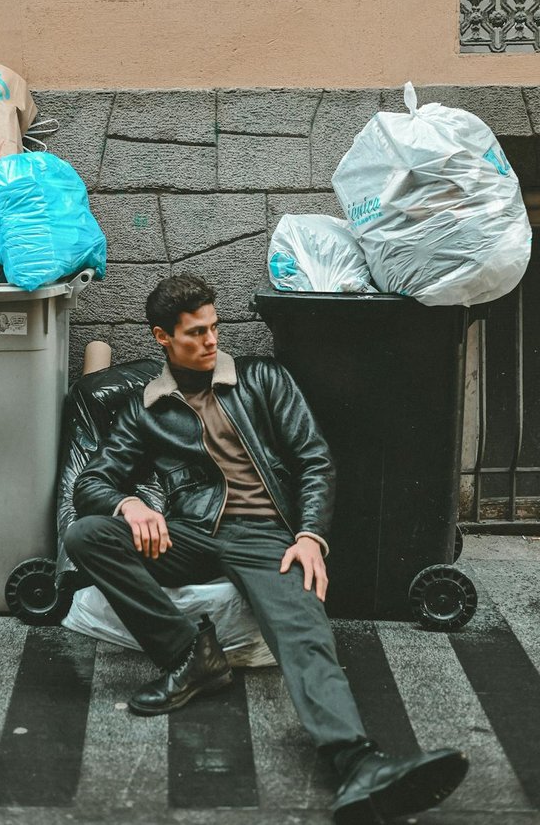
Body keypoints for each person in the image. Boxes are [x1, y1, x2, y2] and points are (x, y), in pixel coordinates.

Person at [65, 273, 468, 825]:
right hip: (192, 531)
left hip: (265, 535)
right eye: (195, 333)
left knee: (302, 630)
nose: (211, 341)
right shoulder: (147, 408)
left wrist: (309, 536)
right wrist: (129, 505)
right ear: (162, 337)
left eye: (214, 328)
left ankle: (355, 759)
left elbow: (313, 458)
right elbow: (92, 482)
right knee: (86, 534)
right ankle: (190, 655)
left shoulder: (262, 378)